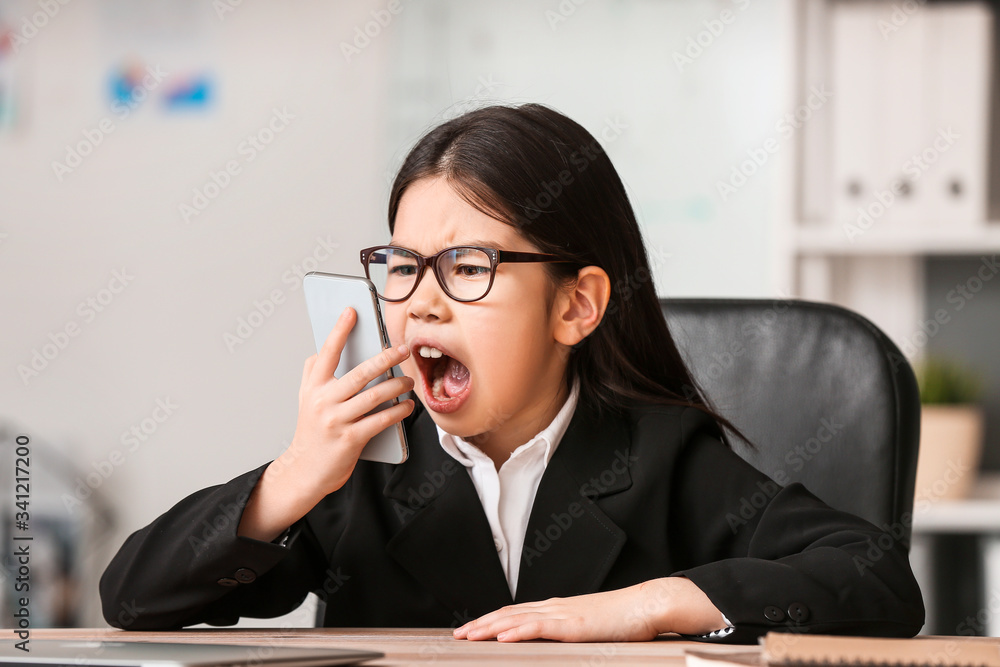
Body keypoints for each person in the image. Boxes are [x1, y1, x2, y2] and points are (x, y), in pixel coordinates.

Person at [99, 103, 924, 644]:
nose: (419, 301)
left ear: (576, 306)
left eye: (465, 266)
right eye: (401, 265)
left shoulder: (662, 456)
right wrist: (289, 479)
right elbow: (132, 598)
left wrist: (653, 603)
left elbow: (876, 576)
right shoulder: (363, 467)